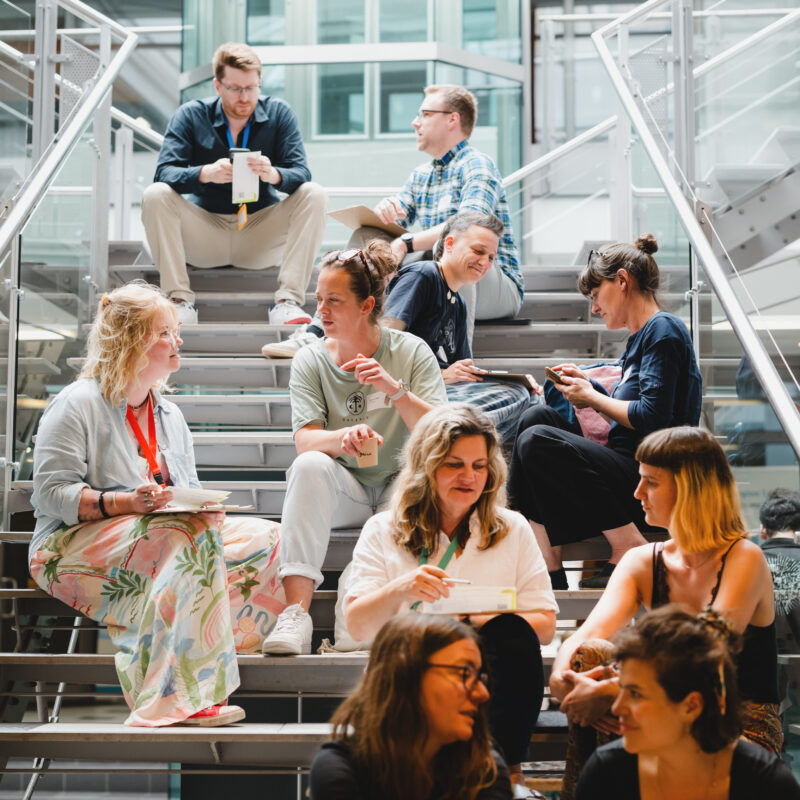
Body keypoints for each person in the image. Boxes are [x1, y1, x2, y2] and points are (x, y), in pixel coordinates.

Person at [28, 283, 286, 727]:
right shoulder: (76, 404)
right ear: (131, 340)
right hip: (67, 548)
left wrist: (205, 509)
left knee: (270, 538)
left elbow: (186, 491)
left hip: (165, 538)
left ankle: (206, 647)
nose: (178, 341)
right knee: (184, 536)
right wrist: (127, 502)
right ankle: (176, 696)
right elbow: (50, 495)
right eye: (166, 332)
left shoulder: (170, 415)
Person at [548, 426, 781, 800]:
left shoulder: (745, 558)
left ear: (692, 489)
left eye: (651, 483)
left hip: (735, 714)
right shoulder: (643, 561)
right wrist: (564, 678)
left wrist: (614, 688)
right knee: (587, 654)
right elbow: (587, 633)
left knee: (612, 681)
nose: (637, 493)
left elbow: (706, 652)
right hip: (654, 706)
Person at [339, 403, 557, 798]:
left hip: (489, 666)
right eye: (454, 464)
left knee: (510, 632)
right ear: (427, 466)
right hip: (412, 671)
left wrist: (482, 614)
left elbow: (545, 624)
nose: (469, 477)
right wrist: (401, 589)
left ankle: (507, 770)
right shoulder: (383, 528)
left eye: (479, 465)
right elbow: (356, 625)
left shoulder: (513, 527)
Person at [261, 241, 448, 656]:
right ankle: (295, 615)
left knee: (416, 490)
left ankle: (363, 618)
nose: (321, 311)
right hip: (349, 487)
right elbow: (306, 440)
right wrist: (340, 439)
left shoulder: (410, 351)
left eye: (334, 301)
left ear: (366, 305)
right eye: (318, 300)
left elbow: (440, 431)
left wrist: (392, 388)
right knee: (309, 465)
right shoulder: (310, 360)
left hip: (402, 483)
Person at [508, 234, 702, 589]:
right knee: (534, 418)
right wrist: (591, 389)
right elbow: (637, 411)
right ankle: (546, 560)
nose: (595, 308)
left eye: (596, 295)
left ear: (623, 281)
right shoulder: (640, 340)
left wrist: (594, 398)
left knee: (538, 439)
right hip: (628, 470)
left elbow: (652, 419)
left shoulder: (664, 330)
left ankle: (628, 544)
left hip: (656, 476)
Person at [141, 41, 327, 326]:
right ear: (217, 86)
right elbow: (164, 173)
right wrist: (204, 173)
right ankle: (179, 301)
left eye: (251, 88)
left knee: (314, 194)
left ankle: (287, 302)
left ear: (259, 83)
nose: (245, 97)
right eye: (235, 88)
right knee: (155, 194)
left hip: (259, 232)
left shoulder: (279, 113)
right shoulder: (190, 115)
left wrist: (273, 174)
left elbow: (302, 173)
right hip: (205, 232)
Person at [573, 605, 800, 800]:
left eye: (635, 694)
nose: (616, 707)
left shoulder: (768, 786)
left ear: (692, 705)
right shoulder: (606, 773)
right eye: (620, 689)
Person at [309, 614, 513, 800]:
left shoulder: (485, 770)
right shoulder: (342, 770)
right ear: (406, 676)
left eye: (480, 677)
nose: (483, 693)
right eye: (463, 673)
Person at [383, 211, 537, 440]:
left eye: (491, 257)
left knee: (531, 399)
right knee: (517, 397)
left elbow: (465, 372)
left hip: (442, 393)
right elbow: (381, 349)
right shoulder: (423, 276)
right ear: (450, 244)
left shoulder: (459, 304)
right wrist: (443, 375)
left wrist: (512, 379)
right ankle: (458, 440)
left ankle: (463, 444)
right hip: (410, 395)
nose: (485, 262)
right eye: (478, 251)